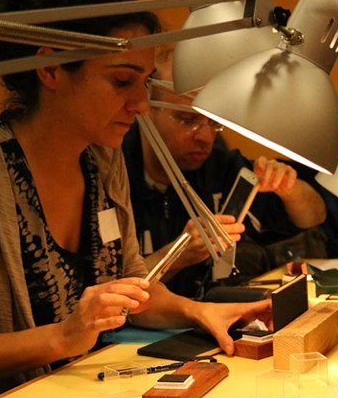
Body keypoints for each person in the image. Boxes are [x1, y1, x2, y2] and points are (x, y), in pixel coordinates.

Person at [0, 0, 271, 398]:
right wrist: (62, 337)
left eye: (144, 83)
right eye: (122, 81)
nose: (141, 105)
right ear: (51, 68)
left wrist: (197, 311)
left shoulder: (102, 159)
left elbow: (133, 286)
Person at [123, 48, 327, 297]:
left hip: (202, 321)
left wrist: (289, 188)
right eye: (187, 119)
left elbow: (313, 216)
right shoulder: (111, 176)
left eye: (214, 123)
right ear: (146, 108)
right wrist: (176, 254)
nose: (205, 137)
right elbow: (108, 290)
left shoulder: (221, 167)